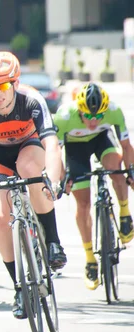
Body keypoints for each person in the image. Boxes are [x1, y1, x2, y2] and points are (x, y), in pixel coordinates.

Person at [0, 51, 67, 320]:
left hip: (28, 147)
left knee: (29, 169)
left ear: (16, 83)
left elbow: (52, 145)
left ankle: (53, 241)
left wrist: (53, 180)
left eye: (4, 86)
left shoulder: (32, 99)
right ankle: (19, 287)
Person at [54, 83, 134, 290]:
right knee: (83, 203)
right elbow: (54, 154)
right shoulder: (63, 117)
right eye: (87, 116)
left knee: (115, 168)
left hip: (101, 142)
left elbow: (125, 146)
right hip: (75, 149)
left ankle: (125, 214)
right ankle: (90, 258)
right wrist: (62, 179)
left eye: (98, 117)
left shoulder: (114, 111)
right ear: (79, 109)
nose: (92, 121)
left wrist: (131, 171)